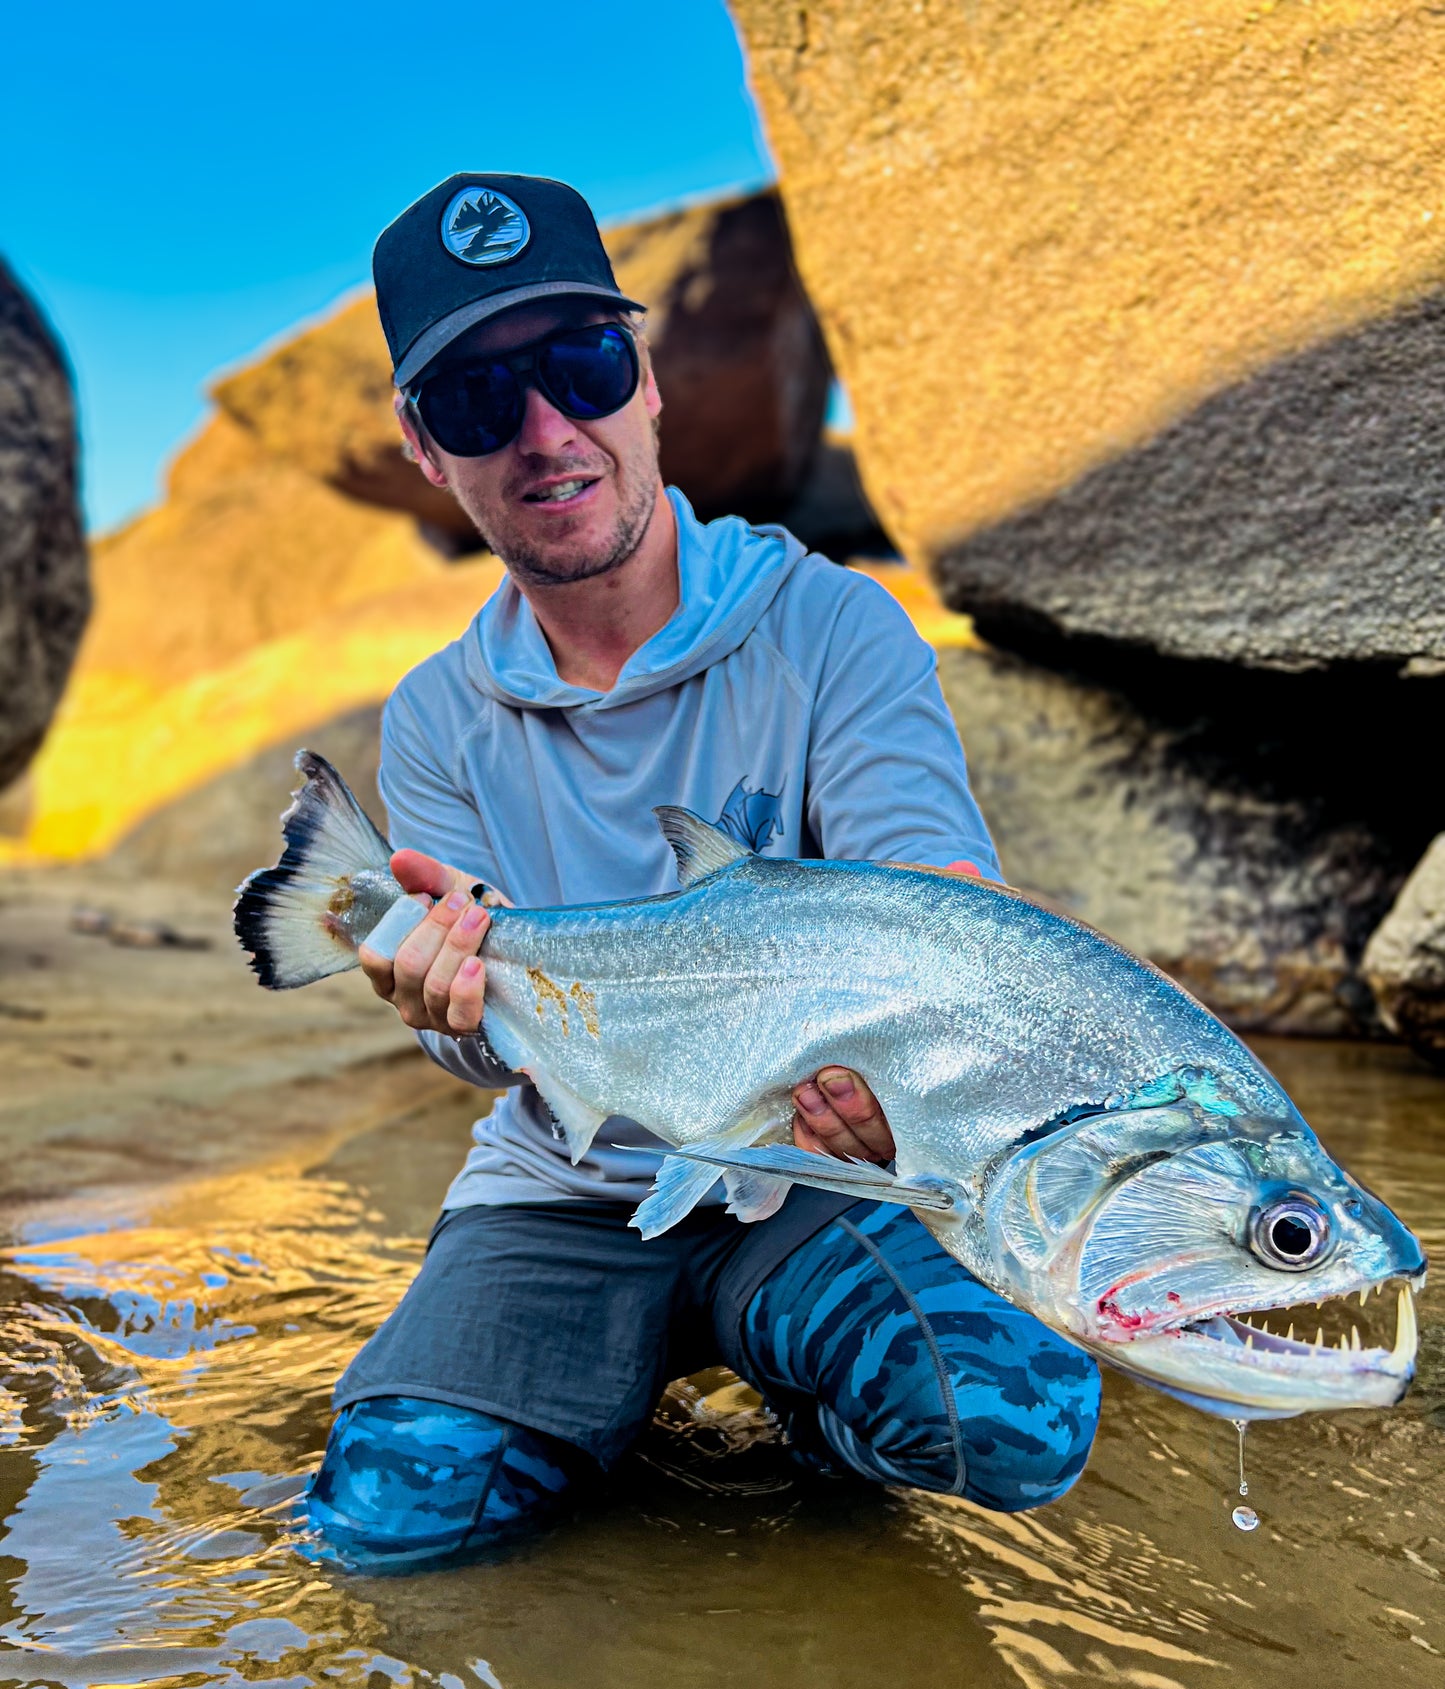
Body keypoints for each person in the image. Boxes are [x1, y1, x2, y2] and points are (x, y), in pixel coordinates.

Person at [304, 173, 1100, 1569]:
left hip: (812, 1178)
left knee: (1007, 1420)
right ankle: (589, 1379)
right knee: (389, 1518)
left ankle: (793, 1378)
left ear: (647, 381)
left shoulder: (834, 627)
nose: (546, 432)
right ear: (426, 453)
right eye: (478, 405)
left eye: (580, 367)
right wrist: (446, 1010)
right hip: (564, 1187)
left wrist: (922, 1071)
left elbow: (930, 893)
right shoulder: (434, 717)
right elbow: (493, 1063)